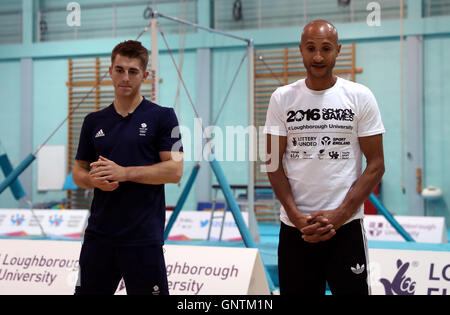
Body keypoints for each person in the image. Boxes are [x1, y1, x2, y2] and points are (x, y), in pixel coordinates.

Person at [264, 20, 385, 295]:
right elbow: (272, 163)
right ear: (301, 51)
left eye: (326, 48)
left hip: (346, 227)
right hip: (296, 228)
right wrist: (295, 216)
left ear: (338, 50)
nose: (318, 57)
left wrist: (341, 214)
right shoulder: (282, 98)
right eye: (311, 48)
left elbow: (376, 165)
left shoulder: (359, 97)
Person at [72, 40, 183, 295]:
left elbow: (175, 171)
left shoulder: (164, 117)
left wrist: (125, 173)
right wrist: (92, 180)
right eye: (119, 70)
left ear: (145, 75)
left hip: (143, 237)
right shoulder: (92, 121)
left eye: (133, 71)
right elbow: (78, 172)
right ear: (110, 71)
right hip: (99, 236)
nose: (125, 77)